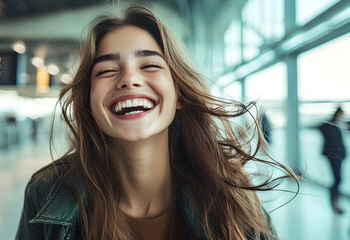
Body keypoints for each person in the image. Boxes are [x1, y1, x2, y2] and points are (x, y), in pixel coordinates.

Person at [16, 4, 297, 240]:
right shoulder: (45, 190)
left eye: (150, 65)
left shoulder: (231, 192)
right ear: (88, 103)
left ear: (180, 96)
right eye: (107, 70)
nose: (129, 78)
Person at [320, 107, 347, 214]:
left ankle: (335, 202)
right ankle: (334, 202)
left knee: (338, 179)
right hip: (334, 156)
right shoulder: (330, 124)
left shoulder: (339, 124)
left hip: (339, 156)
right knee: (338, 179)